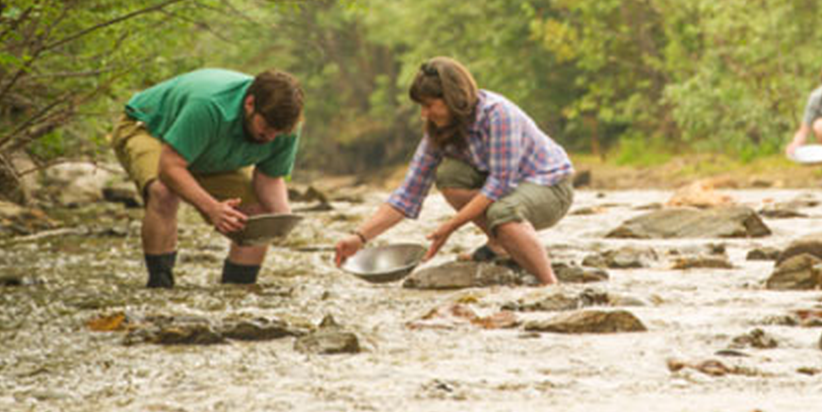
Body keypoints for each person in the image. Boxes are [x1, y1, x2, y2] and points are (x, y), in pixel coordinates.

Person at [333, 57, 575, 285]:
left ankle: (549, 284)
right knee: (449, 175)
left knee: (503, 210)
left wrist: (450, 227)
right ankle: (500, 244)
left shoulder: (498, 114)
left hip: (551, 188)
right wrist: (360, 237)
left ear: (453, 97)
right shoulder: (438, 131)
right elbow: (408, 194)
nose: (424, 114)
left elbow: (500, 184)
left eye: (429, 105)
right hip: (513, 190)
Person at [111, 68, 304, 288]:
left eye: (278, 133)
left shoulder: (286, 127)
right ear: (250, 104)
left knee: (260, 214)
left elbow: (269, 178)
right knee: (164, 192)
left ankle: (237, 292)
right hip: (148, 128)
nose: (271, 137)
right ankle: (160, 286)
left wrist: (281, 218)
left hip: (208, 150)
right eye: (266, 128)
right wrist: (212, 208)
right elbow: (170, 167)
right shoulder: (209, 106)